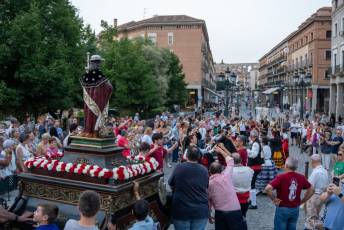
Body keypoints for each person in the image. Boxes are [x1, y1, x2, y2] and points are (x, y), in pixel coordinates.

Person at [265, 157, 314, 230]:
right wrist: (303, 201)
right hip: (295, 209)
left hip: (283, 208)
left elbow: (267, 188)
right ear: (296, 167)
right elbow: (312, 189)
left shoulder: (281, 177)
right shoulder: (301, 177)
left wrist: (274, 199)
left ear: (286, 166)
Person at [168, 145, 209, 230]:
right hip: (200, 211)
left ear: (186, 156)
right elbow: (206, 187)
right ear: (199, 157)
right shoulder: (204, 170)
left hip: (181, 211)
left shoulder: (179, 167)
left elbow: (170, 183)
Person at [208, 145, 247, 230]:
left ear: (210, 172)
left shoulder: (209, 184)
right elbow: (230, 161)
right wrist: (221, 150)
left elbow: (208, 202)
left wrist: (209, 215)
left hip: (219, 213)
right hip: (234, 210)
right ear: (221, 170)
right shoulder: (226, 175)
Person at [81, 55, 113, 137]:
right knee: (95, 115)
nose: (100, 65)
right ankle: (95, 132)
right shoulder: (100, 75)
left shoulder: (85, 76)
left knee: (88, 115)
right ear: (97, 63)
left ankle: (87, 131)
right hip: (97, 101)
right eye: (99, 63)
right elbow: (109, 87)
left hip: (88, 103)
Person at [304, 154, 329, 230]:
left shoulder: (315, 173)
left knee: (311, 219)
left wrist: (305, 198)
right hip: (322, 195)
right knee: (317, 217)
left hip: (314, 196)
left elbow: (310, 188)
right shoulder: (325, 171)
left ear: (313, 162)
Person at [232, 153, 253, 219]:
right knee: (243, 216)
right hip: (246, 198)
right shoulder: (249, 169)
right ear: (241, 160)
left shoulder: (230, 171)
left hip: (234, 198)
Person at [247, 130, 263, 209]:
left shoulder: (256, 143)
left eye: (251, 136)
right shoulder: (256, 143)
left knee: (252, 185)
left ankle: (253, 204)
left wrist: (247, 151)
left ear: (253, 136)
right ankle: (251, 200)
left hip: (254, 167)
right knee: (251, 184)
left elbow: (254, 155)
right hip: (255, 166)